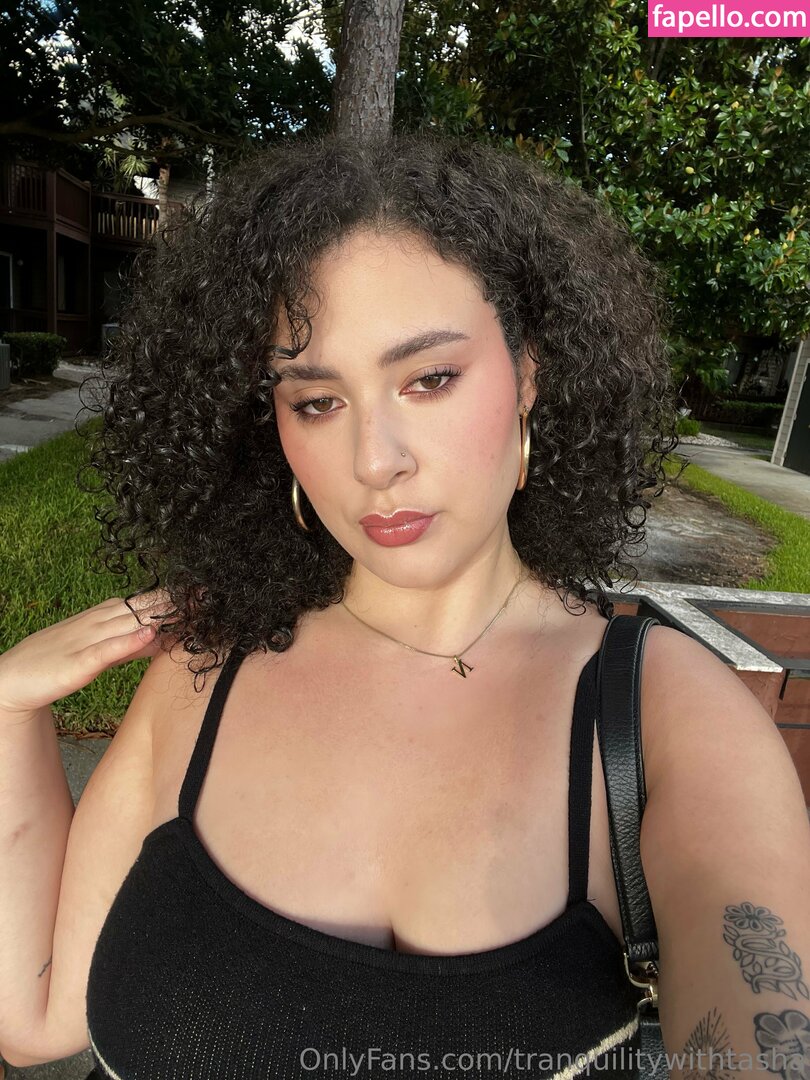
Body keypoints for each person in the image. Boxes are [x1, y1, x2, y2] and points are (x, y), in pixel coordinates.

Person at [0, 130, 807, 1080]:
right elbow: (37, 1016)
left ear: (530, 373)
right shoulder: (201, 670)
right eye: (317, 401)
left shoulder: (667, 718)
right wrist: (8, 711)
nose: (375, 461)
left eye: (429, 379)